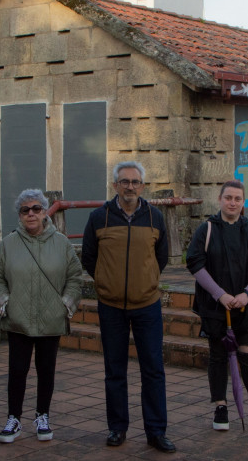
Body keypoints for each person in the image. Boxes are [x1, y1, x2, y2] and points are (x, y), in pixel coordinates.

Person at [81, 161, 175, 453]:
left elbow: (161, 257)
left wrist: (144, 282)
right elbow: (88, 258)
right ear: (115, 186)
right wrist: (107, 283)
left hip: (147, 305)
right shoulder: (99, 217)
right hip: (111, 306)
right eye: (124, 182)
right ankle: (117, 428)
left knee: (153, 370)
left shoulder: (155, 216)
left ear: (143, 186)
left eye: (135, 182)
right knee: (114, 370)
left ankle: (156, 431)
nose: (130, 187)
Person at [0, 189, 83, 443]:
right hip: (18, 319)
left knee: (46, 370)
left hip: (51, 319)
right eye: (25, 210)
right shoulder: (8, 244)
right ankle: (13, 418)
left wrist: (66, 303)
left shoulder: (62, 243)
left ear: (44, 212)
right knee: (17, 370)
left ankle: (43, 415)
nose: (31, 214)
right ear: (19, 215)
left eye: (36, 209)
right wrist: (4, 302)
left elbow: (75, 277)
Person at [186, 180, 248, 433]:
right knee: (217, 354)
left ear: (244, 202)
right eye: (228, 198)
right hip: (216, 306)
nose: (232, 203)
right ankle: (220, 406)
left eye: (238, 199)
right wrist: (220, 295)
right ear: (220, 199)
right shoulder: (206, 230)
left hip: (246, 305)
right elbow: (195, 263)